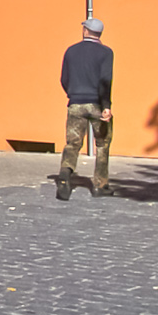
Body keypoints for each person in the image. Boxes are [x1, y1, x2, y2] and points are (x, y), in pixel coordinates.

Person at [56, 16, 113, 200]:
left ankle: (66, 175)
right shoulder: (106, 53)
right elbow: (106, 81)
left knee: (72, 143)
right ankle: (100, 185)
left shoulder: (71, 51)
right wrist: (106, 106)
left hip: (75, 104)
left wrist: (73, 94)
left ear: (85, 31)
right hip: (97, 104)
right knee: (103, 143)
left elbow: (64, 79)